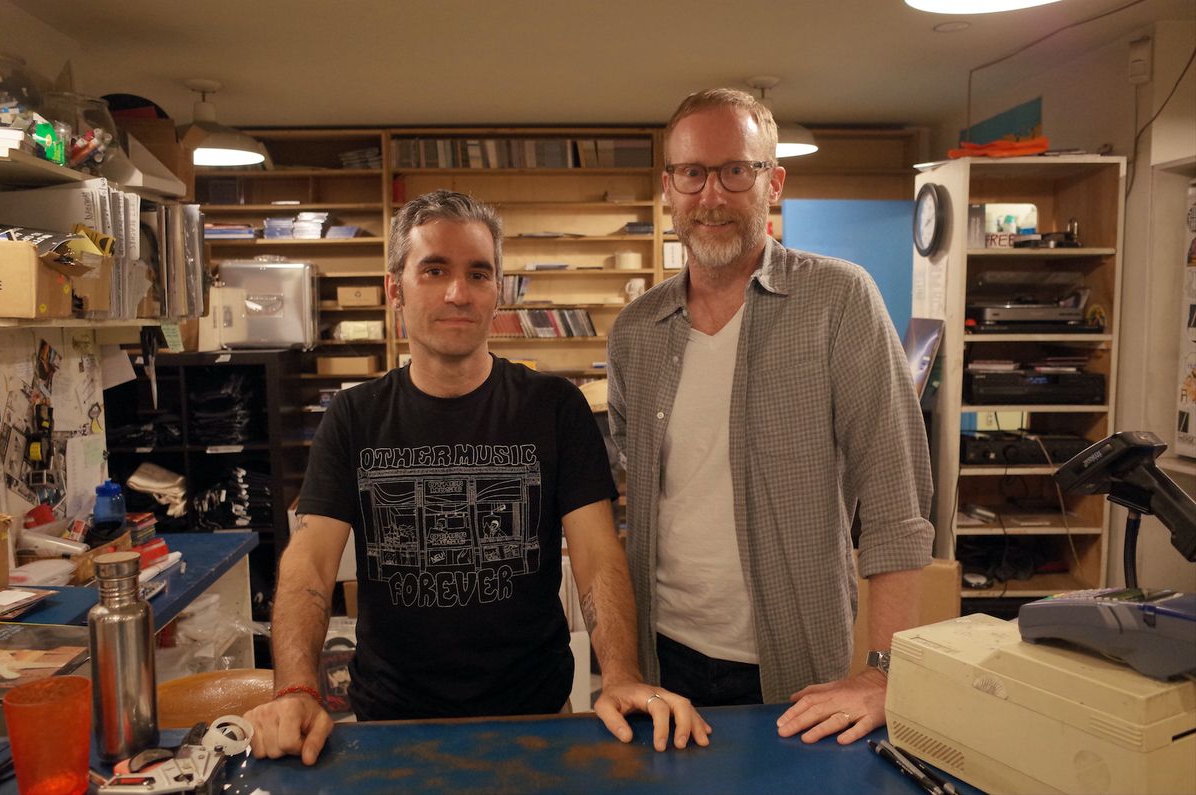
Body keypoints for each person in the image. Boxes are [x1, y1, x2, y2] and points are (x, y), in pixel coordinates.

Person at [245, 190, 708, 765]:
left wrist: (620, 676)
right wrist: (294, 689)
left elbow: (597, 556)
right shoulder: (354, 415)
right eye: (434, 270)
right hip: (390, 729)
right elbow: (309, 565)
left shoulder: (555, 407)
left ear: (499, 292)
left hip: (538, 722)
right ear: (395, 289)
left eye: (478, 273)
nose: (457, 293)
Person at [607, 89, 934, 745]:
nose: (712, 195)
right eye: (692, 173)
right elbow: (627, 497)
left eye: (737, 170)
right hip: (662, 658)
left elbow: (896, 498)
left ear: (772, 182)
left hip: (794, 668)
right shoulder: (635, 331)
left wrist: (883, 671)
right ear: (668, 187)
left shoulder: (840, 300)